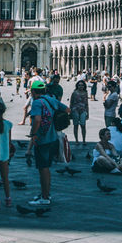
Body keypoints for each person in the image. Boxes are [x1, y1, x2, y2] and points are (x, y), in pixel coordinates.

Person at [27, 78, 62, 207]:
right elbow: (67, 110)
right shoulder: (51, 99)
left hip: (42, 140)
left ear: (33, 91)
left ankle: (45, 197)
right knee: (46, 168)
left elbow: (36, 119)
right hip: (53, 139)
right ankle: (45, 193)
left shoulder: (37, 103)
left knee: (43, 169)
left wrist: (33, 134)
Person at [69, 79, 89, 144]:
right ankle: (76, 140)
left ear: (84, 86)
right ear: (77, 86)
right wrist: (70, 112)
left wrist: (88, 113)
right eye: (79, 85)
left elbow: (86, 103)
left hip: (83, 110)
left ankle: (84, 140)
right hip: (75, 110)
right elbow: (71, 103)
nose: (81, 86)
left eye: (82, 85)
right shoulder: (74, 93)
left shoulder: (85, 93)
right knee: (76, 125)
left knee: (83, 125)